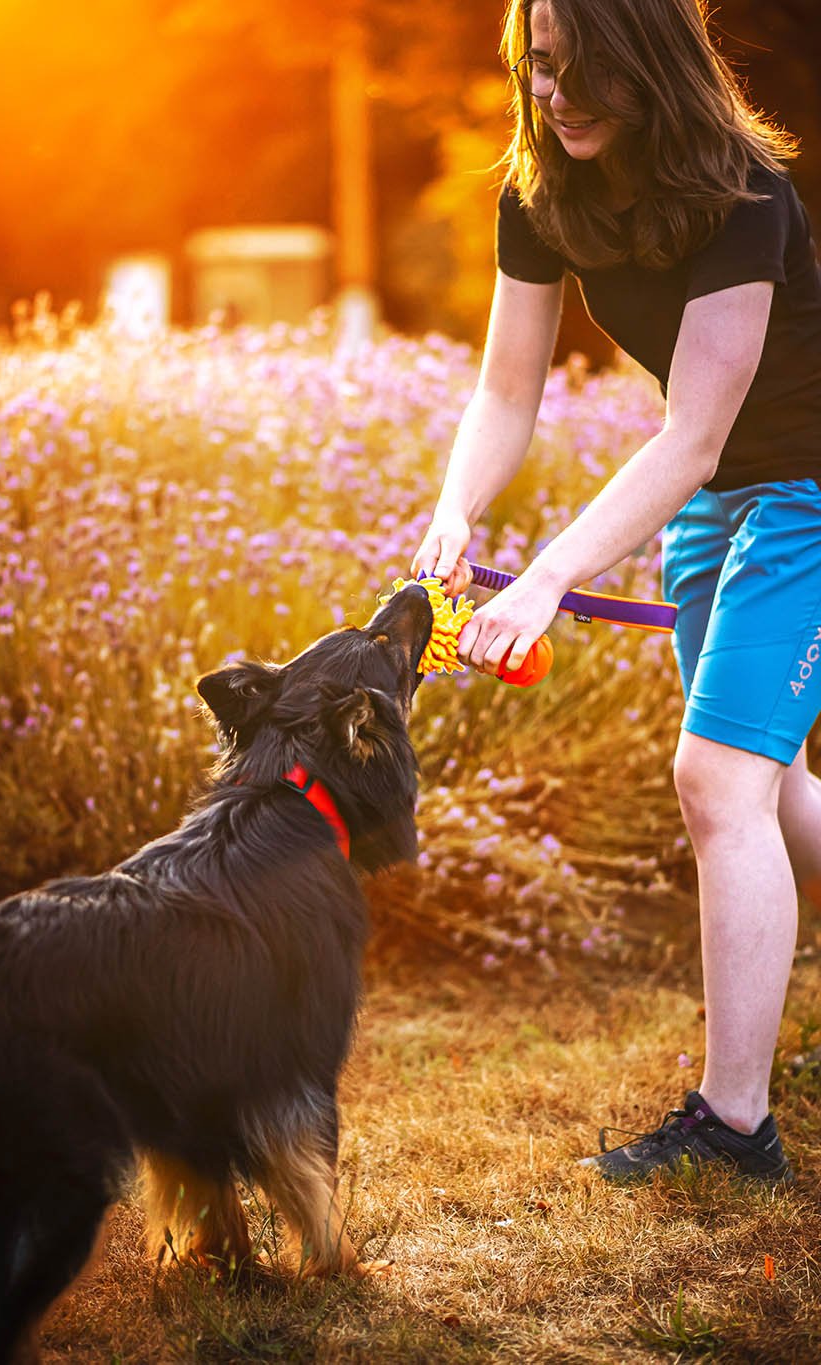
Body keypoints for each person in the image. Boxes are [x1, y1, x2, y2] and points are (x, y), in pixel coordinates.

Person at [413, 0, 821, 1184]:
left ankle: (734, 1128)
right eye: (538, 66)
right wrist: (455, 515)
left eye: (582, 68)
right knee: (770, 783)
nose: (554, 93)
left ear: (649, 59)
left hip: (805, 491)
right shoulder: (541, 191)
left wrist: (543, 580)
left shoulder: (743, 193)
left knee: (715, 781)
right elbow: (503, 394)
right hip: (714, 509)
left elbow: (693, 433)